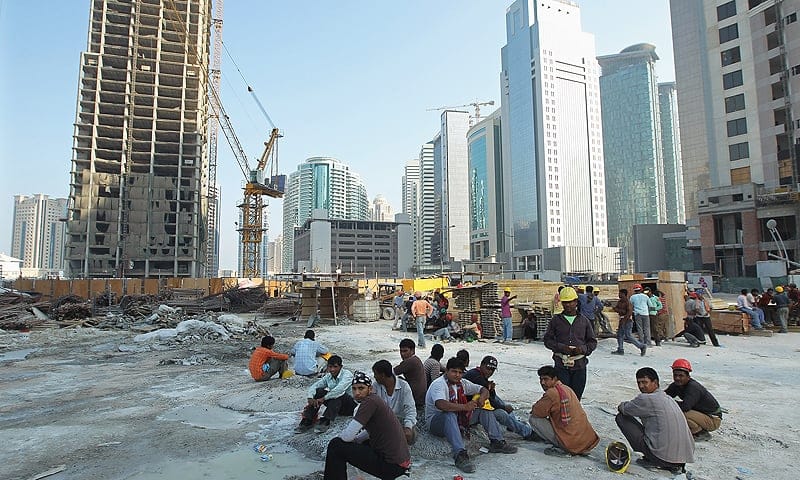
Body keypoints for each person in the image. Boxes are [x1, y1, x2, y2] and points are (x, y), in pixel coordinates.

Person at [425, 357, 518, 474]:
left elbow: (483, 389)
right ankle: (460, 454)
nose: (457, 375)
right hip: (437, 422)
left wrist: (482, 399)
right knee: (449, 414)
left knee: (484, 410)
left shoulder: (462, 383)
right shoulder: (439, 384)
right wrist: (465, 407)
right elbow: (441, 404)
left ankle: (496, 441)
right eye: (454, 371)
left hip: (458, 417)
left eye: (460, 372)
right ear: (447, 371)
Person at [323, 371, 411, 480]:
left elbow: (347, 437)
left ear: (370, 389)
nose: (357, 393)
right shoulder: (376, 400)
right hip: (401, 465)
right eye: (354, 389)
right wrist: (357, 440)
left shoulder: (369, 402)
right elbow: (371, 431)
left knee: (336, 445)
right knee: (358, 441)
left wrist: (348, 440)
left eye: (361, 388)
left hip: (391, 467)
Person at [615, 367, 694, 474]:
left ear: (655, 382)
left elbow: (624, 409)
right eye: (639, 383)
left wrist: (622, 406)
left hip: (662, 458)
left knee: (621, 417)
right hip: (683, 459)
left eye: (645, 382)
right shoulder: (668, 398)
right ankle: (666, 461)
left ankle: (654, 460)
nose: (641, 386)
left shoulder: (646, 399)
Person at [528, 365, 600, 456]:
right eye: (541, 380)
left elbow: (537, 411)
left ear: (554, 379)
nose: (542, 383)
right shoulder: (566, 388)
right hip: (585, 441)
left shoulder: (552, 393)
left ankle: (561, 447)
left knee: (533, 419)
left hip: (571, 442)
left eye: (546, 379)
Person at [463, 355, 537, 440]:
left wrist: (491, 390)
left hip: (475, 408)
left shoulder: (478, 374)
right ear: (481, 365)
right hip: (469, 412)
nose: (490, 372)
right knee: (502, 414)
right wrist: (503, 407)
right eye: (488, 368)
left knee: (499, 402)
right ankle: (525, 432)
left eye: (492, 370)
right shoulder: (477, 377)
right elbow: (490, 402)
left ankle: (514, 423)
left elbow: (491, 397)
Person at [543, 286, 597, 400]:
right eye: (565, 302)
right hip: (561, 366)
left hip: (579, 366)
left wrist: (582, 349)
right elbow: (547, 340)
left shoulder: (584, 321)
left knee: (576, 399)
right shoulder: (556, 321)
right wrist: (561, 347)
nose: (568, 305)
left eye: (570, 302)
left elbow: (592, 342)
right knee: (563, 398)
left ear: (576, 302)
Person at [665, 359, 722, 441]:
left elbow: (685, 407)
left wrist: (669, 402)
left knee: (678, 413)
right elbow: (664, 396)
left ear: (688, 377)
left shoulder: (693, 387)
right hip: (702, 414)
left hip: (713, 419)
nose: (677, 378)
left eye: (681, 376)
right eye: (675, 375)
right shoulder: (676, 385)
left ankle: (700, 432)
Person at [297, 355, 355, 434]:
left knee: (338, 394)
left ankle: (325, 420)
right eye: (330, 367)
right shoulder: (328, 376)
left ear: (341, 367)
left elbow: (339, 390)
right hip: (337, 405)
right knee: (319, 391)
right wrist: (310, 398)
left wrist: (323, 398)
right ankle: (308, 419)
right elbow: (315, 386)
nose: (332, 369)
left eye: (335, 367)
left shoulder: (347, 374)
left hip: (350, 406)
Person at [372, 360, 418, 445]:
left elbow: (410, 409)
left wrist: (408, 427)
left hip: (401, 420)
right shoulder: (375, 386)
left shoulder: (404, 386)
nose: (374, 376)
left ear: (382, 375)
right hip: (384, 421)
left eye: (375, 374)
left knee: (411, 436)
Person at [393, 338, 427, 408]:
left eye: (405, 351)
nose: (402, 354)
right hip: (420, 397)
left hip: (416, 398)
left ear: (412, 351)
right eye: (401, 351)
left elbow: (391, 372)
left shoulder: (410, 361)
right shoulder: (416, 359)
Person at [612, 288, 646, 356]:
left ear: (624, 294)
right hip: (622, 319)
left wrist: (624, 320)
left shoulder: (628, 302)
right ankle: (620, 349)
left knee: (628, 335)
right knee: (620, 335)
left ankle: (641, 346)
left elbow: (629, 312)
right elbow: (617, 309)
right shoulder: (620, 301)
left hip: (627, 321)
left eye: (620, 293)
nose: (619, 295)